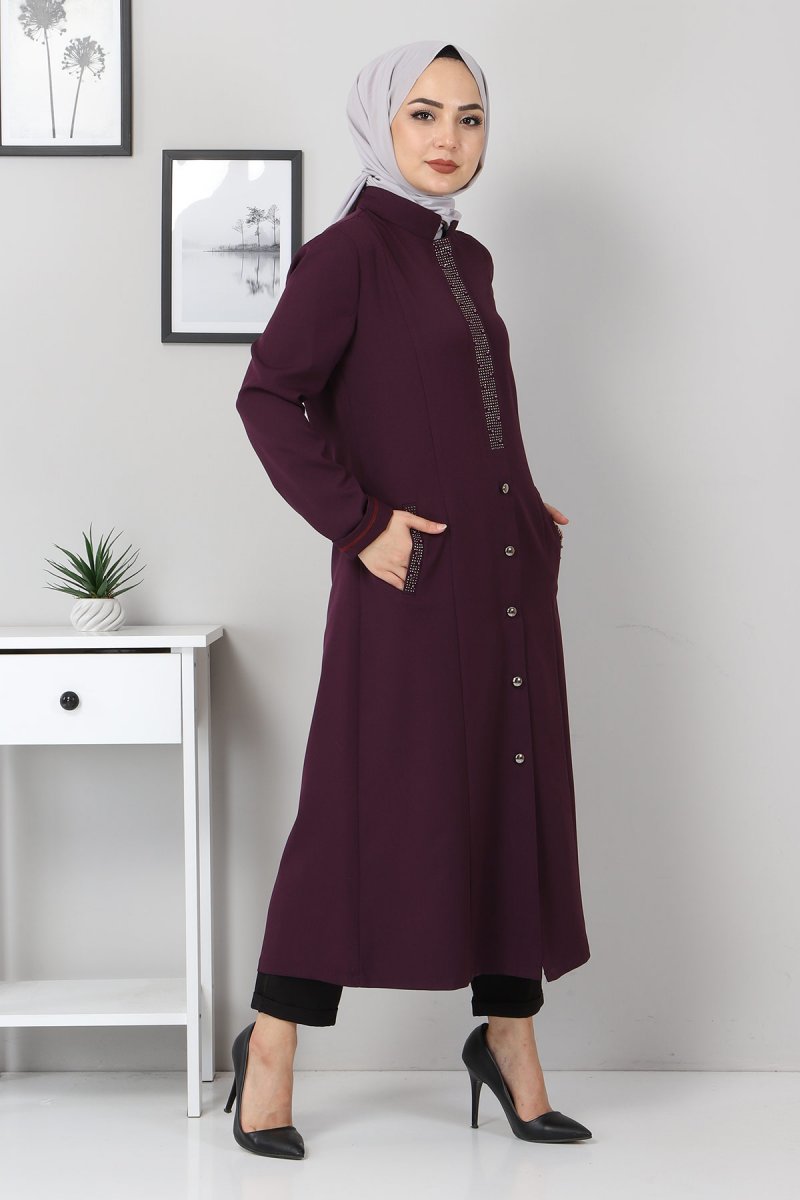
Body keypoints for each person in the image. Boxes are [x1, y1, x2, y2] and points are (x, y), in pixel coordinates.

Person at [226, 40, 592, 1159]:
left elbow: (465, 410)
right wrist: (361, 522)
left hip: (501, 579)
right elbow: (269, 396)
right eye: (424, 113)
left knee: (507, 792)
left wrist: (518, 500)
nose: (447, 138)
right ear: (380, 123)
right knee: (354, 808)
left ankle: (509, 1040)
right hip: (408, 582)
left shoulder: (465, 257)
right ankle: (270, 1048)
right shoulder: (346, 252)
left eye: (469, 118)